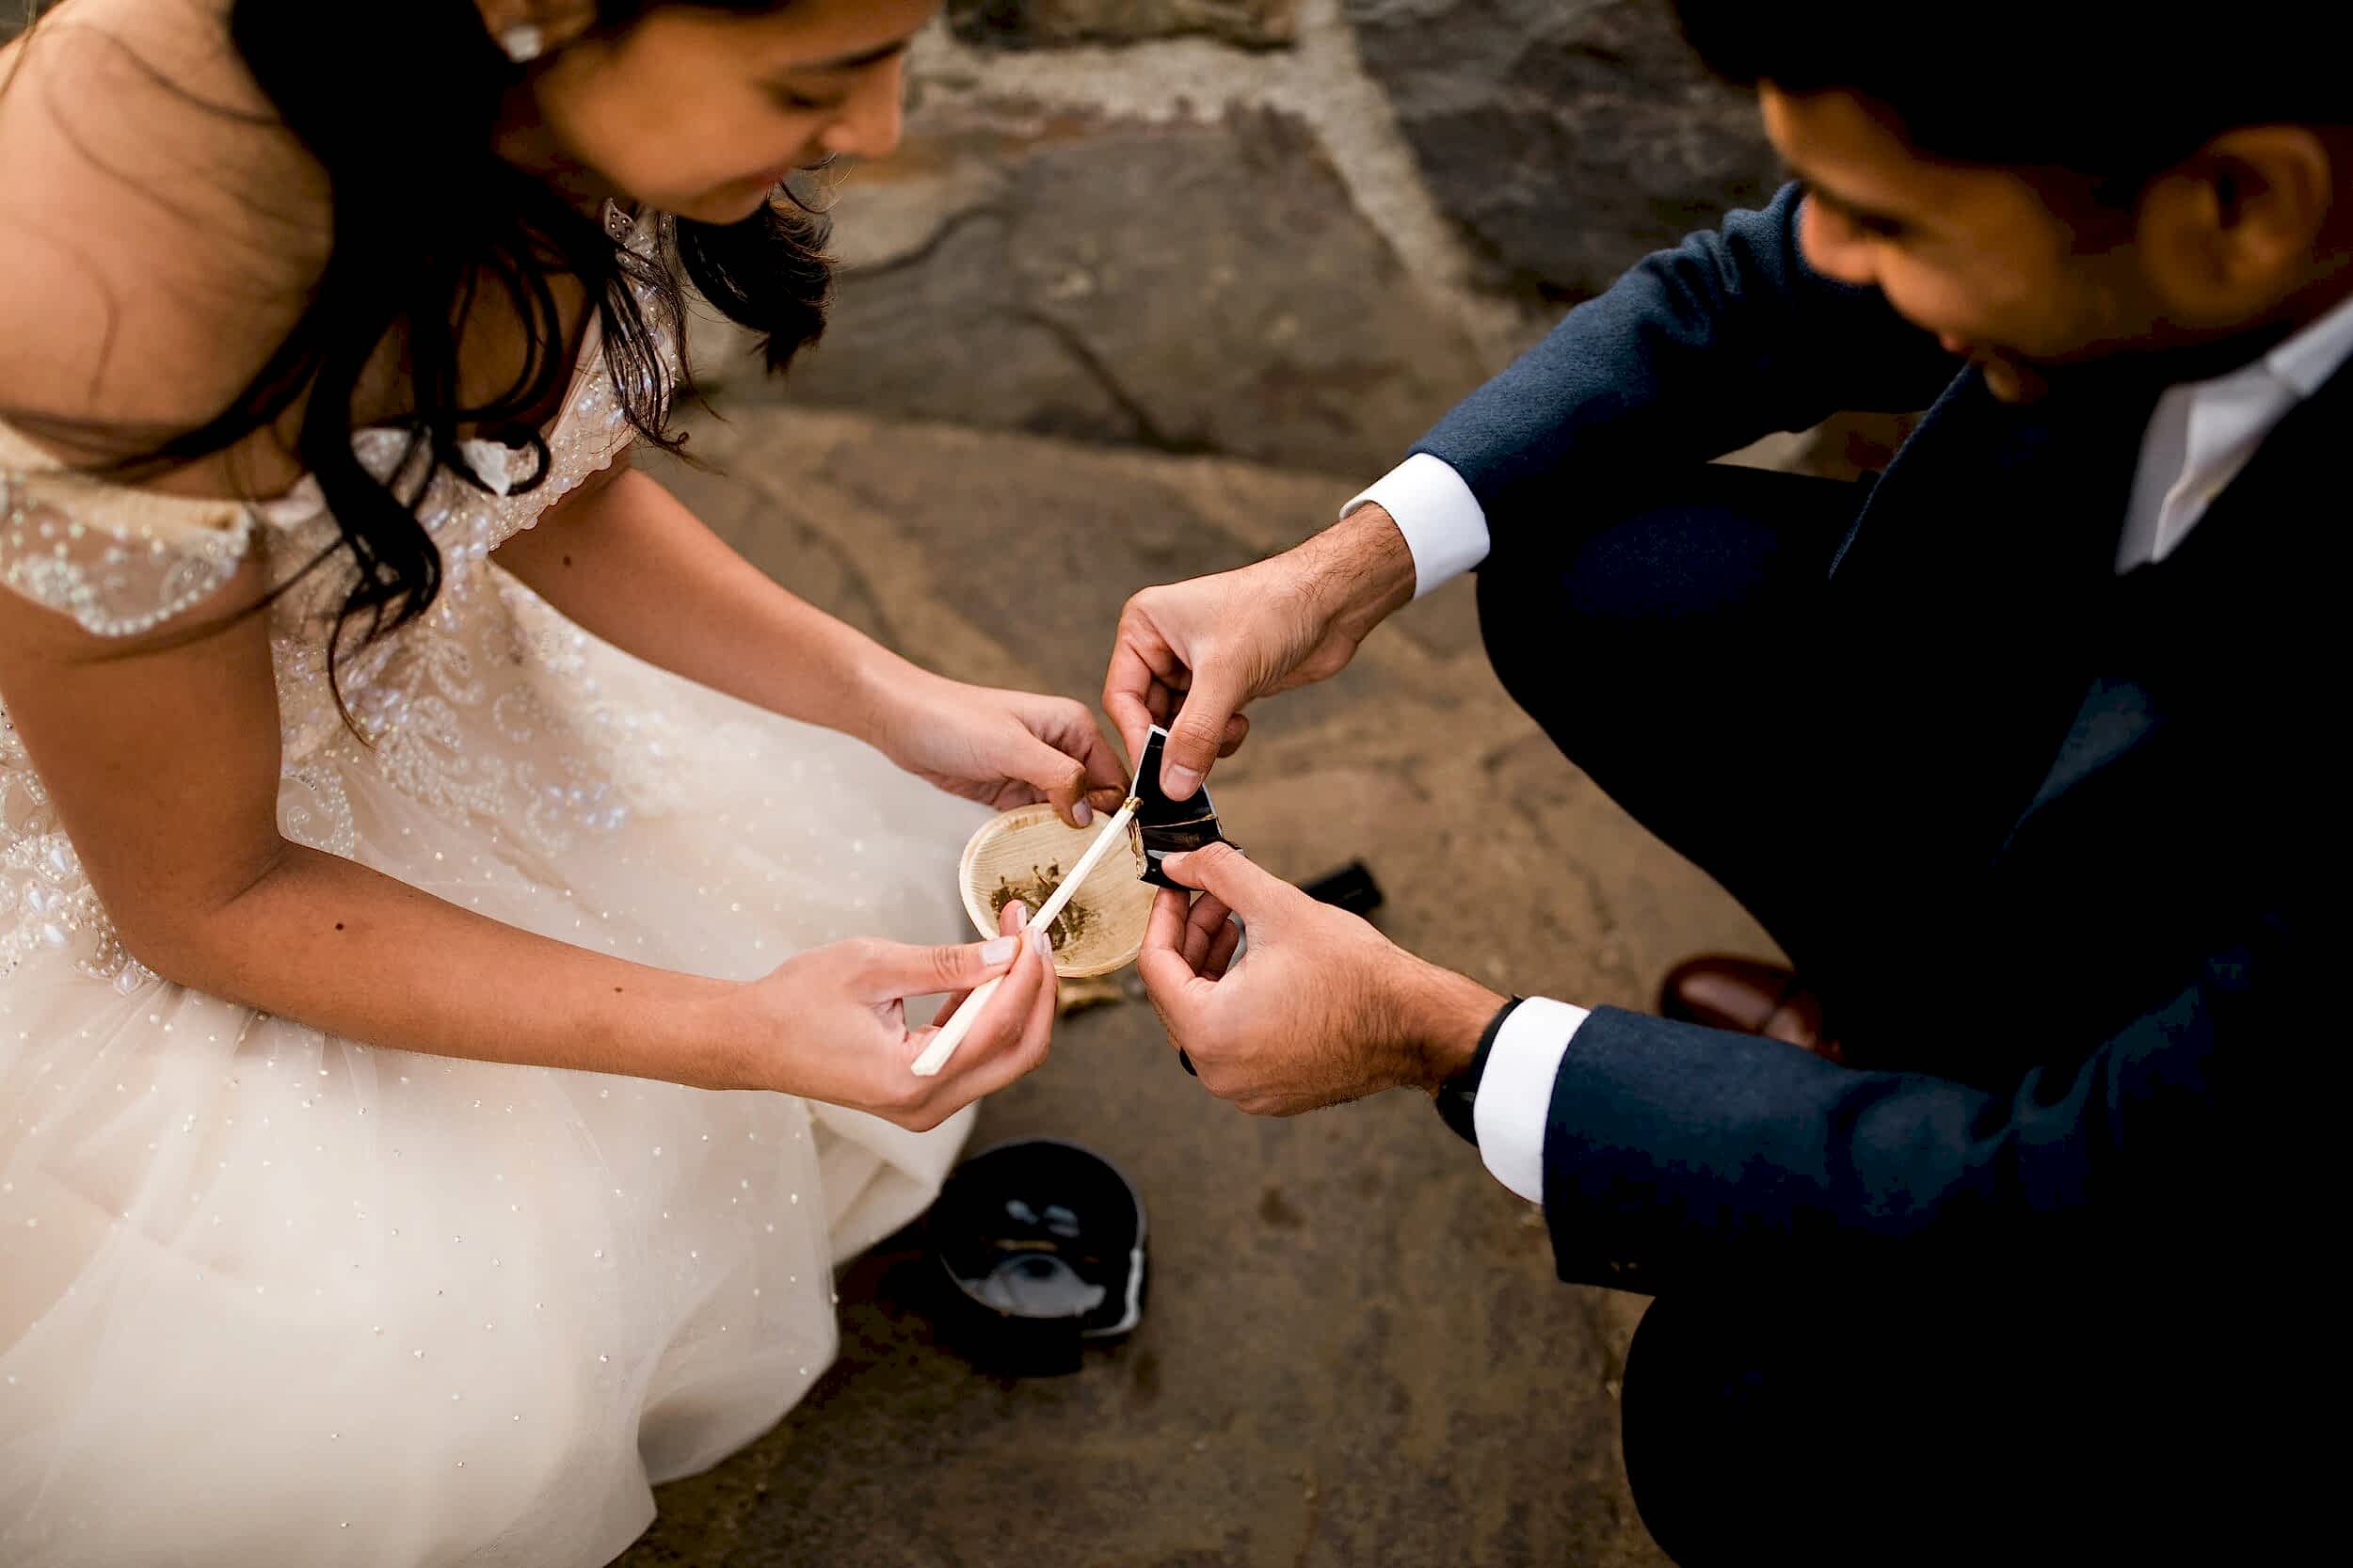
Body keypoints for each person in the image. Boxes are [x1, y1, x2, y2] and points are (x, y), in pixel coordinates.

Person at [1110, 3, 2325, 1559]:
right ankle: (1894, 1051)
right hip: (2064, 713)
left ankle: (1894, 1102)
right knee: (1582, 566)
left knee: (1734, 1421)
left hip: (2222, 1183)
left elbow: (2066, 1205)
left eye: (1889, 221)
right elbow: (1749, 294)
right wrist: (1343, 568)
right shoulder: (2172, 186)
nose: (1827, 251)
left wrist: (1437, 1036)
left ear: (2241, 207)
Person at [0, 3, 1129, 1564]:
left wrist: (884, 700)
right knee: (414, 1399)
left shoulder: (496, 95)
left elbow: (517, 483)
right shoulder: (98, 317)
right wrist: (737, 1032)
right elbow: (207, 893)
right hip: (149, 844)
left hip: (408, 676)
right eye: (813, 80)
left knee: (825, 899)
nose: (874, 131)